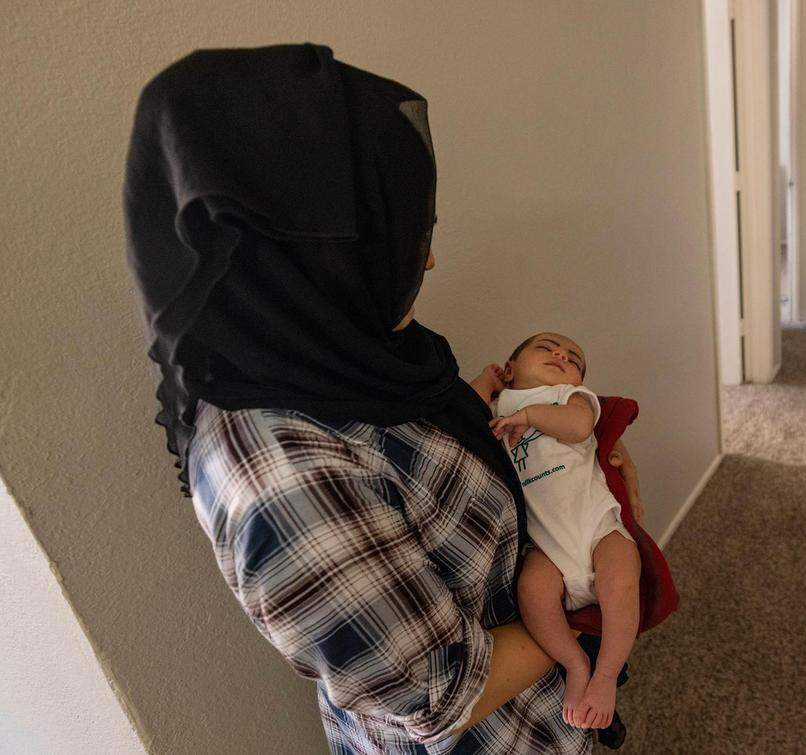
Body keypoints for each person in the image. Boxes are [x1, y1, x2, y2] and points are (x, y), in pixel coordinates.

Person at [123, 43, 645, 754]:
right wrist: (592, 599)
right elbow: (446, 694)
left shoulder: (352, 351)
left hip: (548, 705)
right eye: (403, 234)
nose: (427, 258)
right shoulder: (282, 480)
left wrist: (590, 494)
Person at [469, 333, 642, 732]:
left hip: (596, 524)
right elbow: (466, 416)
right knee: (532, 591)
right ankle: (575, 662)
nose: (561, 354)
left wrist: (529, 417)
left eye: (573, 358)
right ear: (510, 369)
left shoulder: (570, 397)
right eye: (545, 348)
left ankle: (605, 674)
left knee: (622, 579)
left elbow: (579, 427)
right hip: (545, 544)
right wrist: (486, 381)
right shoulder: (499, 407)